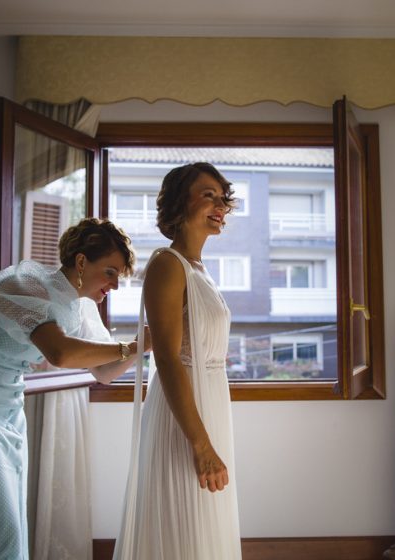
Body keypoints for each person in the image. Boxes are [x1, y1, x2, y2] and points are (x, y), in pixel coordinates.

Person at [0, 217, 150, 560]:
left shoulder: (83, 307)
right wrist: (128, 347)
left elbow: (105, 371)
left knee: (11, 514)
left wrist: (143, 345)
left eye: (119, 276)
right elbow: (59, 352)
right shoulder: (24, 284)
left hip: (7, 406)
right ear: (81, 261)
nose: (115, 285)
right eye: (110, 272)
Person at [113, 162, 242, 560]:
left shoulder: (199, 270)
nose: (219, 206)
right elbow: (167, 359)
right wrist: (201, 445)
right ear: (179, 202)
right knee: (183, 527)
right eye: (208, 195)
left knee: (205, 526)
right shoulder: (168, 265)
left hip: (210, 405)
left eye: (223, 198)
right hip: (182, 419)